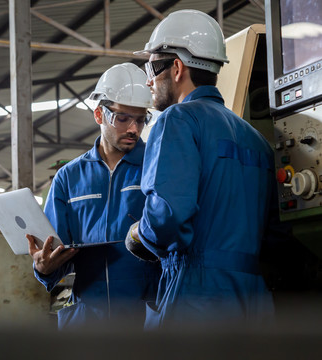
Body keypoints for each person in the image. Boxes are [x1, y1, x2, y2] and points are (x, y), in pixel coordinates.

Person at [127, 9, 276, 329]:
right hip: (256, 305)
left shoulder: (176, 121)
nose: (149, 79)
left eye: (152, 66)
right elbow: (274, 235)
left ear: (177, 68)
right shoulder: (258, 141)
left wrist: (139, 233)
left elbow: (167, 218)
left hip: (197, 301)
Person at [26, 63, 161, 330]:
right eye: (123, 118)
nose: (134, 128)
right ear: (99, 115)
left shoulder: (157, 165)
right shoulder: (69, 178)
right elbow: (56, 252)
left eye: (141, 119)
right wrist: (44, 268)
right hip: (88, 323)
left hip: (146, 319)